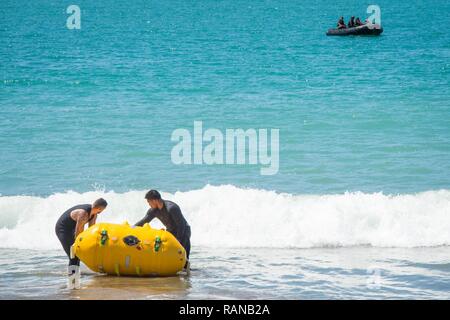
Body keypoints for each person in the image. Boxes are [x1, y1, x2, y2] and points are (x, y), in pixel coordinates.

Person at [55, 198, 108, 288]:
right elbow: (78, 233)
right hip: (63, 229)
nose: (102, 211)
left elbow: (91, 231)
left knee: (77, 254)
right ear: (99, 208)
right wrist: (78, 245)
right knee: (74, 254)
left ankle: (75, 276)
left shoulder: (94, 214)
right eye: (102, 210)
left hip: (72, 229)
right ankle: (73, 281)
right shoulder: (83, 214)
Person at [135, 190, 191, 269]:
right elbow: (143, 222)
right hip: (171, 232)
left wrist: (178, 241)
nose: (149, 204)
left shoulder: (171, 208)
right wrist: (131, 229)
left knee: (183, 259)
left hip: (184, 232)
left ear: (154, 200)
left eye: (149, 202)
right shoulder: (153, 211)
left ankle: (187, 277)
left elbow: (181, 225)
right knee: (171, 258)